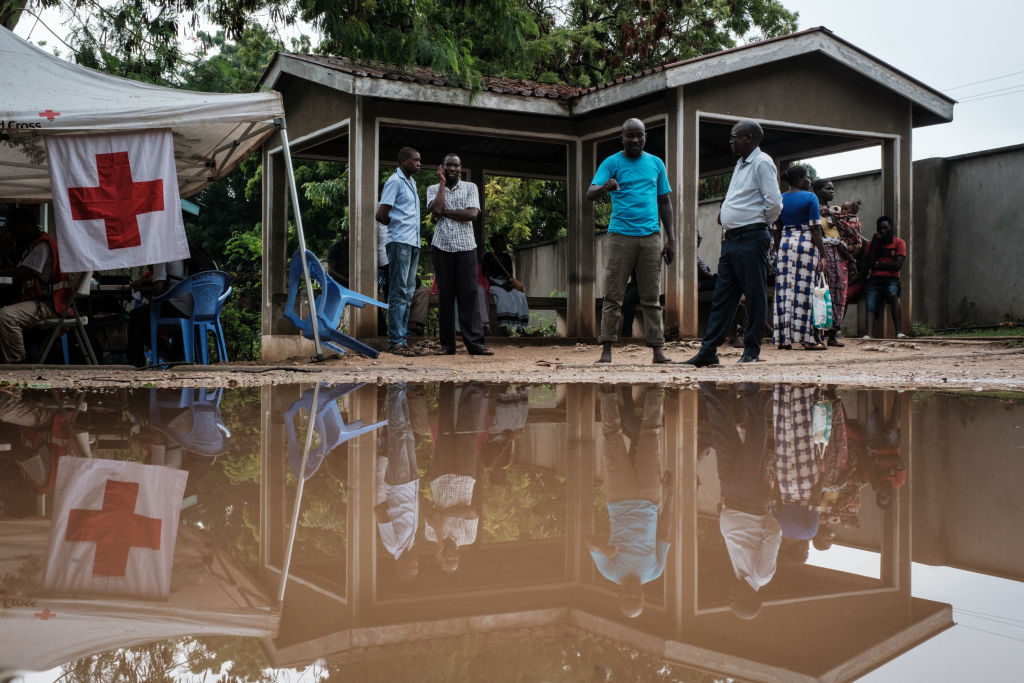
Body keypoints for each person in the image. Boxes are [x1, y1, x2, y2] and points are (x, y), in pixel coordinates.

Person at [683, 120, 782, 366]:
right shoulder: (740, 164)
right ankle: (708, 352)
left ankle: (751, 351)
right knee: (723, 297)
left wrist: (757, 223)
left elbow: (775, 204)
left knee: (755, 296)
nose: (731, 141)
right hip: (732, 240)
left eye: (734, 137)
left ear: (748, 138)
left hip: (751, 237)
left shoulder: (762, 162)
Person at [588, 118, 675, 364]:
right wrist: (605, 186)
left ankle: (658, 349)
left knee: (651, 295)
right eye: (630, 136)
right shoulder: (612, 162)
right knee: (613, 294)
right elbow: (590, 193)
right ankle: (607, 349)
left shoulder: (656, 163)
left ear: (645, 136)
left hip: (650, 236)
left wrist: (672, 239)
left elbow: (665, 202)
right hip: (620, 236)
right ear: (622, 137)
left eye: (639, 135)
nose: (635, 140)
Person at [588, 385, 673, 619]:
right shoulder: (655, 571)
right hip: (650, 497)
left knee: (611, 437)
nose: (634, 595)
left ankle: (607, 392)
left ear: (620, 596)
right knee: (651, 435)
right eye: (638, 599)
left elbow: (588, 541)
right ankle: (656, 391)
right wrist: (670, 494)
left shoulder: (609, 572)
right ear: (644, 598)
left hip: (619, 498)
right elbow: (664, 531)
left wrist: (603, 548)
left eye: (629, 599)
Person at [701, 382, 780, 620]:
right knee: (755, 442)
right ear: (748, 598)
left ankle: (709, 388)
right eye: (733, 599)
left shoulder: (740, 574)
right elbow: (773, 535)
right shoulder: (761, 576)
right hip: (750, 498)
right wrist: (760, 506)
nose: (729, 595)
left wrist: (725, 515)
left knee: (722, 435)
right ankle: (752, 390)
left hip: (732, 495)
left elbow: (739, 539)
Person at [426, 154, 492, 356]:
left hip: (466, 248)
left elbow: (472, 215)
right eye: (448, 165)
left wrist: (444, 213)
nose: (452, 168)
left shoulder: (471, 187)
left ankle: (475, 345)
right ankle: (447, 346)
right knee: (445, 298)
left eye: (455, 165)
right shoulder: (433, 189)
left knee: (469, 296)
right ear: (442, 168)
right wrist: (442, 184)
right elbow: (435, 208)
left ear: (461, 168)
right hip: (441, 247)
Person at [424, 382, 488, 572]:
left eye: (446, 560)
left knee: (445, 427)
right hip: (465, 475)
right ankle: (472, 387)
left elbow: (431, 513)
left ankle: (446, 384)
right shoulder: (469, 538)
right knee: (467, 430)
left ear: (440, 558)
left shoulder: (431, 535)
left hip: (441, 476)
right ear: (458, 557)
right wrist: (444, 514)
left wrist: (440, 537)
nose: (450, 557)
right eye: (454, 560)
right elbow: (472, 512)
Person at [0, 208, 70, 364]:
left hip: (51, 304)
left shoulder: (43, 245)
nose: (13, 234)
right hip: (42, 301)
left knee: (6, 316)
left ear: (25, 226)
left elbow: (23, 272)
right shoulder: (33, 246)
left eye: (14, 229)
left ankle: (17, 362)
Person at [375, 147, 423, 357]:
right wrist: (397, 228)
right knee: (398, 291)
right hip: (400, 243)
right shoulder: (394, 181)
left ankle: (402, 340)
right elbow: (381, 214)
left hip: (413, 243)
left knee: (409, 292)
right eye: (415, 160)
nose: (419, 164)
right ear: (404, 160)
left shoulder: (411, 183)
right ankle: (395, 342)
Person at [773, 165, 827, 351]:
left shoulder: (779, 199)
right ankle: (809, 339)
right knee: (806, 291)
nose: (810, 180)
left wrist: (777, 250)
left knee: (785, 291)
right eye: (807, 177)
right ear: (799, 180)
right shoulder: (811, 197)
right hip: (806, 245)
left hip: (786, 245)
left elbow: (776, 229)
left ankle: (784, 339)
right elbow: (815, 229)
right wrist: (823, 254)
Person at [375, 383, 420, 581]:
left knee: (398, 435)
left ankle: (395, 389)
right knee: (407, 434)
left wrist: (393, 497)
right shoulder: (408, 545)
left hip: (398, 484)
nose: (416, 563)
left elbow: (379, 512)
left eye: (413, 567)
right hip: (410, 484)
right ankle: (400, 393)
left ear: (401, 567)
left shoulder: (392, 545)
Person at [813, 179, 857, 346]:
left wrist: (850, 258)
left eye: (832, 188)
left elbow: (847, 233)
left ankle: (834, 332)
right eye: (827, 188)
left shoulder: (837, 211)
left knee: (840, 293)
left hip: (840, 255)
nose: (832, 191)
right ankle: (818, 333)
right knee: (824, 293)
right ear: (817, 190)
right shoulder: (813, 210)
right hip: (823, 254)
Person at [126, 259, 191, 367]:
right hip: (198, 308)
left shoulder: (162, 254)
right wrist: (145, 281)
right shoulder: (184, 253)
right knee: (146, 317)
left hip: (177, 307)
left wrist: (148, 287)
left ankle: (137, 365)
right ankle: (176, 358)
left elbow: (158, 289)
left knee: (136, 316)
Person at [863, 216, 907, 339]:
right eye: (879, 228)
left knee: (893, 294)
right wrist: (874, 244)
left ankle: (899, 332)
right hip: (875, 280)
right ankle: (869, 334)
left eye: (885, 228)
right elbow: (870, 264)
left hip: (891, 280)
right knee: (870, 299)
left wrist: (879, 264)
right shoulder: (872, 244)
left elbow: (897, 266)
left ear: (891, 228)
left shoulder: (899, 243)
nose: (882, 231)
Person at [481, 233, 530, 335]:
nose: (505, 243)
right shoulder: (488, 256)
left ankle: (521, 328)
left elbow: (509, 276)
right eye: (502, 241)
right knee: (503, 295)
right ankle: (503, 327)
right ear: (495, 243)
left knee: (520, 295)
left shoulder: (507, 257)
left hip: (505, 283)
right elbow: (485, 277)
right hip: (492, 284)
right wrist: (501, 286)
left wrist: (509, 285)